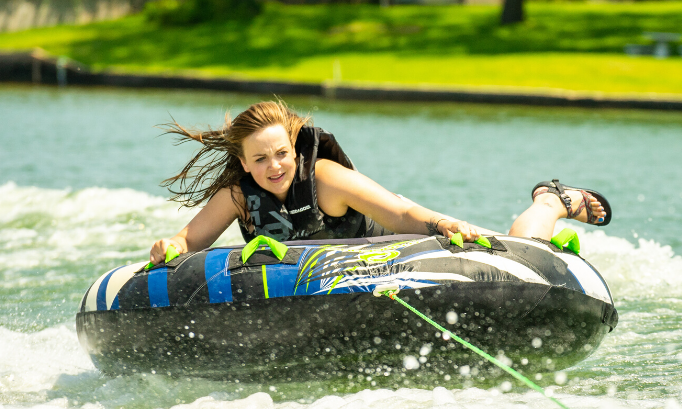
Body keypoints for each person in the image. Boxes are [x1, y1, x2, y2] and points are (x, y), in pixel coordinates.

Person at [148, 100, 612, 264]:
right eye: (261, 159)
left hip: (400, 243)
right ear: (244, 163)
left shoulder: (325, 179)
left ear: (294, 149)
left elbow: (401, 213)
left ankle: (551, 200)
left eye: (283, 153)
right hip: (314, 277)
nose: (275, 166)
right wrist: (171, 245)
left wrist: (444, 224)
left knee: (523, 251)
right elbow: (190, 240)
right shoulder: (237, 196)